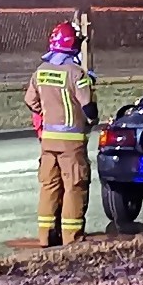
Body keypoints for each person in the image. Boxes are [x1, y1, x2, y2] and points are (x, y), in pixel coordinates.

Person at [24, 22, 98, 247]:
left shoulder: (41, 72)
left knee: (49, 186)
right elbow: (89, 110)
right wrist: (91, 119)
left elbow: (30, 101)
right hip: (72, 143)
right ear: (72, 45)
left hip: (48, 141)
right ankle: (71, 237)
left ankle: (46, 236)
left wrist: (48, 115)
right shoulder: (77, 74)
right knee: (74, 186)